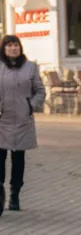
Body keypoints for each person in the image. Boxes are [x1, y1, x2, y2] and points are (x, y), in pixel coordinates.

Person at [0, 35, 46, 215]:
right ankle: (0, 194)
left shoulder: (30, 67)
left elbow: (40, 91)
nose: (13, 48)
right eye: (9, 45)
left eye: (16, 45)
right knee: (0, 159)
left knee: (18, 160)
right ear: (3, 49)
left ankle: (15, 195)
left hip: (22, 119)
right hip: (2, 120)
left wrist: (30, 106)